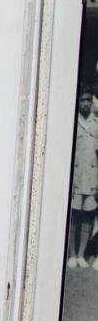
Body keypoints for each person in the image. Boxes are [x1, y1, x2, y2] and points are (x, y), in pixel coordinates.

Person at [72, 90, 98, 267]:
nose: (86, 103)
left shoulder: (97, 124)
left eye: (89, 100)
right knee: (74, 217)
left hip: (91, 179)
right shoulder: (73, 123)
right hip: (75, 178)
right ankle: (72, 255)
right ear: (78, 102)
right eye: (83, 100)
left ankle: (81, 255)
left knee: (88, 217)